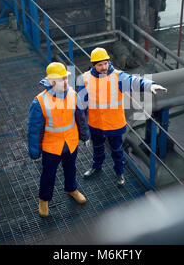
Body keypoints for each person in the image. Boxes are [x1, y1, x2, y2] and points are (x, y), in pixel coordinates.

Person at [78, 47, 167, 186]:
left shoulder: (118, 77)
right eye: (100, 64)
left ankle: (119, 173)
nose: (104, 67)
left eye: (105, 63)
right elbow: (81, 104)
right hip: (95, 123)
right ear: (94, 65)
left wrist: (150, 85)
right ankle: (96, 167)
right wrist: (84, 130)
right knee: (97, 148)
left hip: (114, 124)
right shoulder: (85, 78)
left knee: (117, 151)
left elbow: (135, 81)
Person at [27, 62, 90, 217]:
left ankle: (72, 189)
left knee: (71, 169)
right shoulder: (39, 102)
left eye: (66, 78)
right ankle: (44, 199)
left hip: (70, 142)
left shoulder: (73, 95)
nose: (66, 82)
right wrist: (34, 151)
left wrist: (85, 135)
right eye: (62, 79)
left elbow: (81, 118)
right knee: (48, 174)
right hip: (51, 146)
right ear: (52, 81)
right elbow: (34, 130)